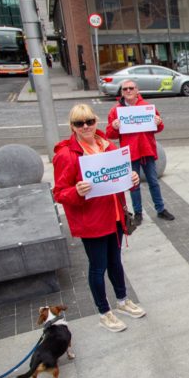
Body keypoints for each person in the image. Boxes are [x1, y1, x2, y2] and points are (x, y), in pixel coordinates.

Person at [53, 104, 146, 333]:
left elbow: (118, 178)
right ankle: (104, 312)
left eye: (89, 122)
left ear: (96, 121)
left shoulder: (107, 145)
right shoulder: (66, 155)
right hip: (92, 221)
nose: (85, 127)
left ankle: (122, 300)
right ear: (72, 126)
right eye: (79, 123)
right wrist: (77, 191)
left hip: (113, 216)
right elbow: (59, 192)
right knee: (98, 267)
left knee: (115, 262)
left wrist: (131, 178)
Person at [105, 79, 174, 225]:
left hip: (147, 150)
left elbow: (159, 128)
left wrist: (158, 122)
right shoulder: (116, 110)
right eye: (125, 89)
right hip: (130, 153)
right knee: (133, 185)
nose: (128, 91)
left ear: (137, 90)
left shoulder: (147, 107)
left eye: (131, 88)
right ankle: (138, 213)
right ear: (122, 92)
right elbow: (110, 134)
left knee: (153, 182)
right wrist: (114, 126)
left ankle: (160, 209)